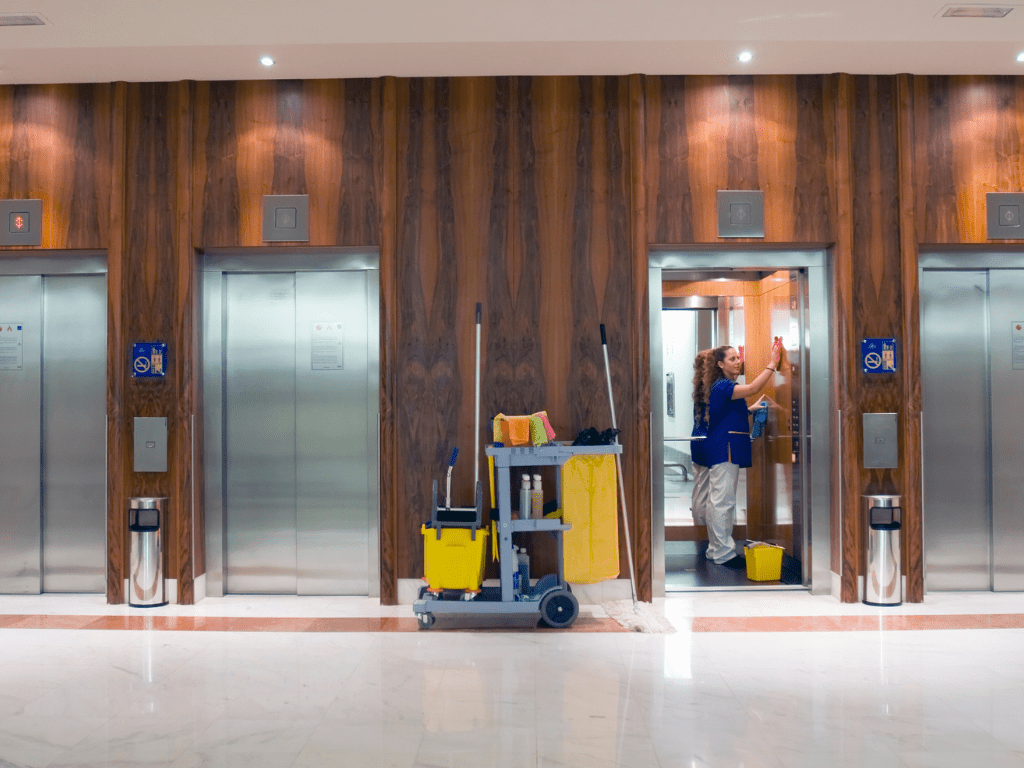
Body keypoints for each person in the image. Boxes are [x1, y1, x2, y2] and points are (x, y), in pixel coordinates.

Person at [703, 340, 783, 569]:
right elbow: (752, 388)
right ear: (720, 364)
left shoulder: (725, 387)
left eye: (738, 358)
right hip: (724, 447)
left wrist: (751, 409)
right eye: (732, 359)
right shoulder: (723, 386)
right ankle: (722, 553)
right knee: (722, 503)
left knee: (720, 501)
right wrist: (771, 365)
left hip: (727, 446)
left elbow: (727, 413)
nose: (737, 363)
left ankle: (716, 550)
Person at [689, 350, 711, 528]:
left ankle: (699, 525)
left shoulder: (699, 385)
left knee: (699, 487)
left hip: (697, 439)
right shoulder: (712, 387)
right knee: (704, 491)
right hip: (706, 442)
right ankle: (702, 529)